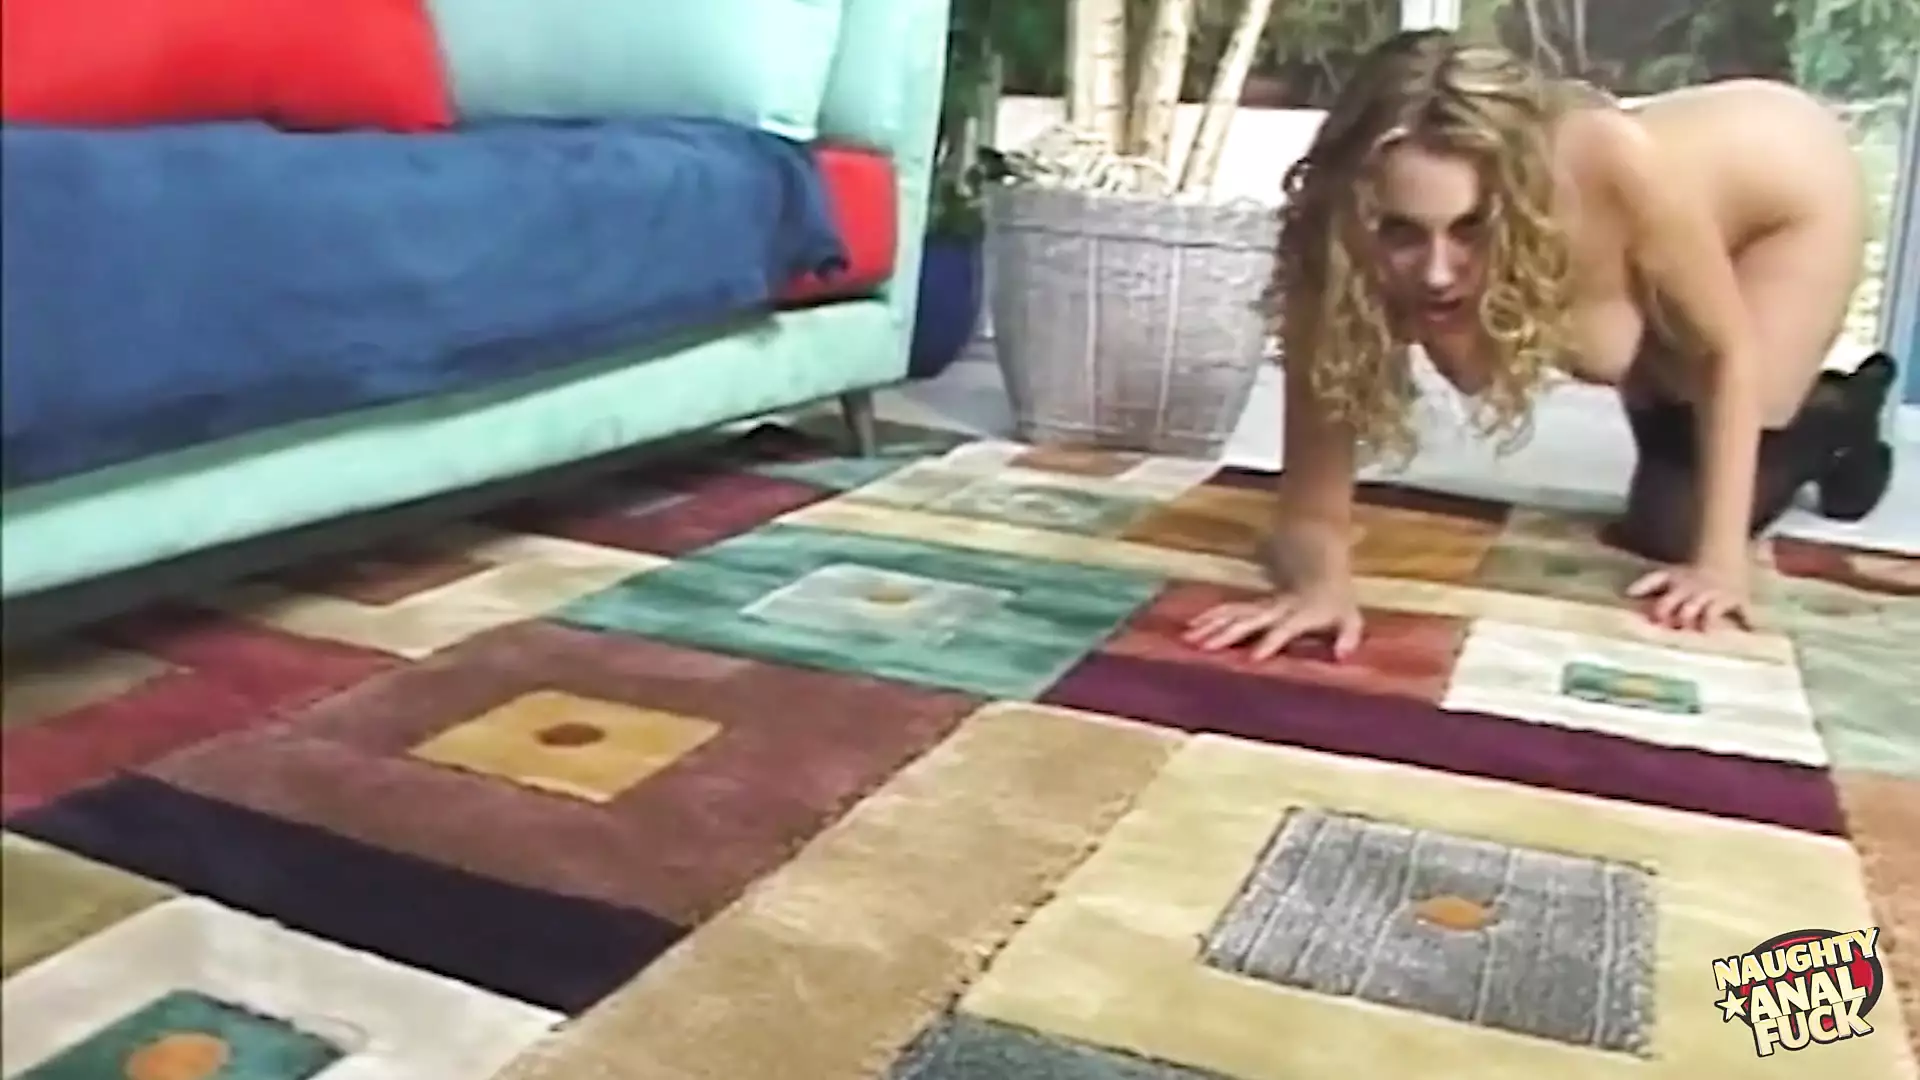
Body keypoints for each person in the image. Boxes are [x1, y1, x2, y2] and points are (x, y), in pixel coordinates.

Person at [1186, 28, 1897, 659]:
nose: (1436, 273)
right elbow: (1308, 511)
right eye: (1400, 231)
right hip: (1663, 236)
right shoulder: (1336, 250)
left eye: (1471, 227)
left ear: (1518, 200)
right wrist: (1320, 586)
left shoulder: (1613, 166)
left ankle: (1836, 415)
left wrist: (1720, 567)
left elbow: (1723, 351)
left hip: (1789, 191)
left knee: (1677, 523)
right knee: (1657, 391)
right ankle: (1680, 386)